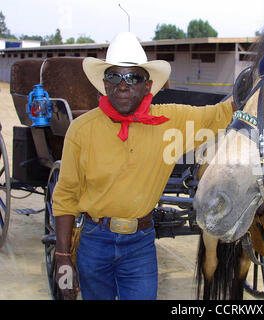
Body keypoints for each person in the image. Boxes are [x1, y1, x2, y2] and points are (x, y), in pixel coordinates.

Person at [52, 32, 236, 300]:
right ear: (104, 83)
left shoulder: (169, 122)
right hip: (94, 241)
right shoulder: (81, 130)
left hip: (139, 245)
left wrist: (258, 82)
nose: (123, 85)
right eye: (115, 77)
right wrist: (62, 258)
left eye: (133, 77)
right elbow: (65, 196)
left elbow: (217, 116)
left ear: (147, 86)